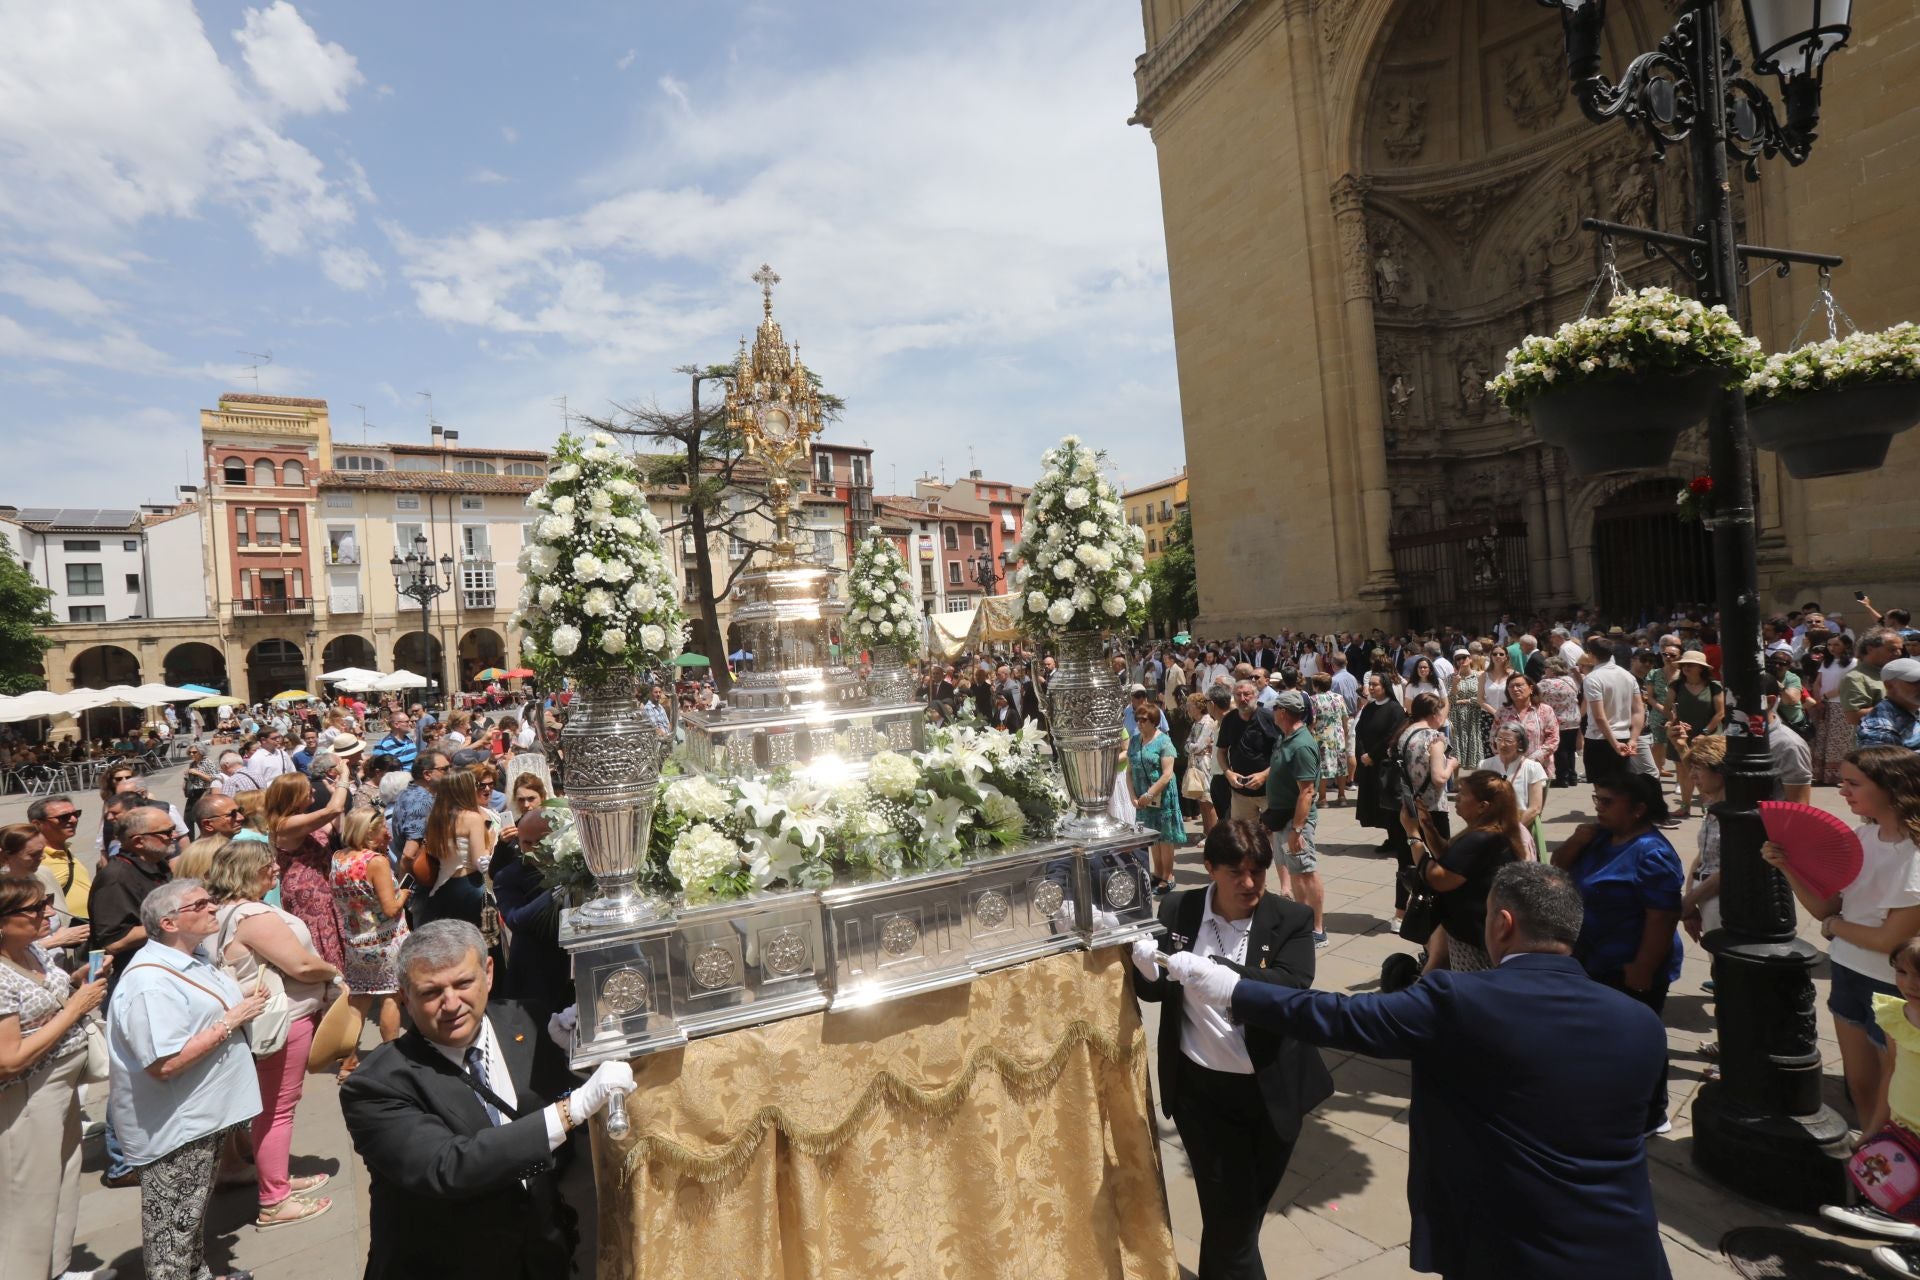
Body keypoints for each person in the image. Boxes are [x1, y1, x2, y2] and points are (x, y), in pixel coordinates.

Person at [1163, 861, 1671, 1279]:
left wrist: (1228, 987)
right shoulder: (1641, 1024)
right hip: (1629, 1252)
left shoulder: (1460, 1000)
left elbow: (1342, 1018)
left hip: (1510, 1251)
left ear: (1503, 924)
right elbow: (1642, 1125)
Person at [340, 920, 635, 1280]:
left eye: (464, 983)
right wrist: (572, 1107)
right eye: (431, 992)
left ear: (489, 973)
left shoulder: (527, 1022)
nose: (451, 1004)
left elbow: (556, 1109)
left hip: (540, 1255)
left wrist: (581, 1063)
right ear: (404, 995)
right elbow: (448, 1166)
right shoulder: (374, 1086)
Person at [1127, 820, 1332, 1280]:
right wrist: (1147, 971)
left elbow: (1293, 988)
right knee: (1231, 1227)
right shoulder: (1178, 908)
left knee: (1234, 1226)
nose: (1250, 883)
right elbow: (1156, 991)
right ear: (1209, 868)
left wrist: (1217, 970)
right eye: (1237, 872)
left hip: (1270, 1094)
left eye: (1258, 871)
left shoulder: (1290, 919)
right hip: (1203, 1096)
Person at [106, 878, 270, 1280]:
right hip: (176, 1128)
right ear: (168, 923)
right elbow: (164, 1064)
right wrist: (232, 1020)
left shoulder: (190, 958)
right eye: (200, 904)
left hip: (203, 1118)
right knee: (172, 1231)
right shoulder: (149, 983)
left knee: (190, 1216)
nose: (213, 907)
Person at [1764, 746, 1920, 1132]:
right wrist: (1786, 867)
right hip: (1848, 972)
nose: (1841, 789)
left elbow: (1888, 940)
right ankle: (1873, 1166)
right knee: (1861, 1086)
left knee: (1898, 1096)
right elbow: (1824, 907)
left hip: (1896, 986)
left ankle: (1897, 1174)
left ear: (1891, 787)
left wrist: (1836, 928)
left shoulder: (1915, 854)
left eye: (1854, 783)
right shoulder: (1863, 836)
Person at [206, 840, 341, 1230]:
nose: (276, 871)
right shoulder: (251, 915)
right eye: (268, 867)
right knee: (278, 1110)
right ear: (248, 871)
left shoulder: (225, 912)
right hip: (280, 1020)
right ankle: (274, 1200)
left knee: (271, 1108)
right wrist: (332, 973)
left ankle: (276, 1180)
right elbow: (299, 964)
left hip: (264, 1019)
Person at [1552, 771, 1684, 1129]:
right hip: (1593, 957)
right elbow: (1558, 868)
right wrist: (1577, 841)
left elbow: (1663, 917)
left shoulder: (1652, 854)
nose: (1598, 808)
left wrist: (1643, 967)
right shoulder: (1599, 837)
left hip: (1631, 962)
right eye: (1597, 799)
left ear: (1639, 809)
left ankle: (1652, 1114)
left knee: (1638, 1039)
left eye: (1607, 802)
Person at [0, 873, 112, 1280]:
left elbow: (48, 1000)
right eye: (34, 908)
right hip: (28, 1095)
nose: (47, 913)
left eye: (45, 902)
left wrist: (82, 980)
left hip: (62, 1084)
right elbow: (8, 1060)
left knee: (63, 1178)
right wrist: (75, 1008)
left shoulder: (30, 950)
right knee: (28, 1195)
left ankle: (56, 1269)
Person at [1414, 771, 1527, 973]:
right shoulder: (1490, 832)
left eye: (1463, 794)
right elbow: (1451, 861)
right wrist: (1427, 825)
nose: (1456, 797)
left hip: (1475, 940)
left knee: (1470, 991)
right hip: (1478, 932)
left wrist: (1413, 837)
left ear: (1483, 806)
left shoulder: (1482, 839)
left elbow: (1437, 877)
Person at [263, 771, 349, 973]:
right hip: (308, 895)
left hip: (325, 889)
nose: (312, 789)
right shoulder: (284, 824)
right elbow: (333, 808)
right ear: (293, 795)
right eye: (306, 787)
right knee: (322, 940)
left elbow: (337, 823)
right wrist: (344, 776)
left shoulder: (301, 819)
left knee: (335, 939)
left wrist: (335, 792)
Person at [1266, 690, 1326, 946]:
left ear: (1282, 712)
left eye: (1274, 709)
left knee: (1306, 873)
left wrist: (1297, 830)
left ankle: (1317, 930)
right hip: (1282, 819)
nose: (1272, 714)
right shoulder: (1286, 738)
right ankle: (1302, 923)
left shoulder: (1301, 745)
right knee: (1296, 872)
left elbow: (1307, 792)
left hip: (1295, 822)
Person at [1354, 673, 1410, 922]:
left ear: (1385, 686)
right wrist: (1362, 753)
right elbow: (1359, 730)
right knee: (1375, 806)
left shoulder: (1395, 709)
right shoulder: (1368, 708)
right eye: (1370, 685)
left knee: (1387, 804)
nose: (1372, 688)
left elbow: (1392, 737)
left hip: (1383, 765)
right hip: (1368, 763)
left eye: (1376, 685)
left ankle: (1394, 836)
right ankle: (1389, 836)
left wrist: (1373, 755)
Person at [416, 770, 494, 928]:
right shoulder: (472, 818)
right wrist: (490, 845)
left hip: (444, 887)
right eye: (475, 785)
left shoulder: (436, 818)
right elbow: (480, 862)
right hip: (471, 888)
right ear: (465, 789)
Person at [1126, 704, 1185, 896]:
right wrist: (1133, 796)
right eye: (1138, 719)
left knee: (1165, 837)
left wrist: (1149, 794)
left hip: (1162, 796)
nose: (1139, 723)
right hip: (1142, 798)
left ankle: (1169, 876)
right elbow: (1129, 771)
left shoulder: (1164, 741)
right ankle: (1157, 873)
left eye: (1144, 720)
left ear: (1154, 721)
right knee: (1150, 836)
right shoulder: (1134, 741)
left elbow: (1167, 774)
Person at [1677, 736, 1727, 957]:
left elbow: (1729, 870)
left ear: (1720, 771)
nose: (1692, 776)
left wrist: (1689, 901)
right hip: (1705, 895)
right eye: (1692, 768)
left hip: (1722, 901)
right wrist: (1689, 904)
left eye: (1699, 769)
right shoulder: (1712, 805)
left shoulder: (1734, 815)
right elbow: (1702, 858)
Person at [1582, 636, 1654, 788]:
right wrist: (1633, 739)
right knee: (1620, 786)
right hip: (1624, 737)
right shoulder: (1628, 676)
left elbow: (1600, 717)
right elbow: (1639, 709)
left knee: (1602, 786)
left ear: (1590, 654)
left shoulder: (1592, 678)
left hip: (1599, 739)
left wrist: (1615, 743)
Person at [1664, 651, 1725, 819]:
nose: (1686, 668)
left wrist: (1705, 732)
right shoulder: (1676, 685)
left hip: (1708, 737)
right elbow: (1667, 709)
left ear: (1701, 668)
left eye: (1690, 665)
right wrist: (1676, 722)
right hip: (1682, 735)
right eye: (1684, 665)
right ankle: (1685, 806)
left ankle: (1708, 806)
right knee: (1684, 771)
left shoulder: (1714, 686)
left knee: (1705, 772)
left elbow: (1720, 713)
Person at [1477, 724, 1548, 858]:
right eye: (1499, 739)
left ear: (1519, 743)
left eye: (1508, 741)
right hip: (1490, 827)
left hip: (1520, 827)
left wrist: (1511, 830)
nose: (1503, 745)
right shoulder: (1485, 765)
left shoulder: (1532, 768)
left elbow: (1535, 808)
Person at [1216, 680, 1278, 825]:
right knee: (1244, 838)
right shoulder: (1229, 720)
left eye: (1247, 694)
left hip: (1269, 791)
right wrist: (1228, 772)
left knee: (1276, 836)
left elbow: (1282, 754)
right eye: (1238, 695)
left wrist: (1264, 775)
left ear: (1256, 696)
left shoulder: (1269, 718)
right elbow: (1221, 751)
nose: (1242, 699)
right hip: (1240, 793)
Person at [29, 797, 91, 927]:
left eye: (76, 814)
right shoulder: (35, 861)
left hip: (89, 926)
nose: (73, 820)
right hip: (70, 935)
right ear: (37, 824)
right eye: (64, 817)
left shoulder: (64, 850)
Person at [1813, 633, 1860, 785]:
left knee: (1838, 741)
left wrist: (1825, 697)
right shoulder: (1827, 662)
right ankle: (1822, 775)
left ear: (1846, 645)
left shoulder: (1853, 663)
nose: (1832, 648)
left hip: (1841, 705)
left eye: (1836, 645)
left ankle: (1839, 776)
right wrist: (1818, 700)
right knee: (1822, 739)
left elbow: (1845, 686)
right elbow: (1817, 682)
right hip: (1824, 705)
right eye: (1829, 645)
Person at [1307, 672, 1351, 809]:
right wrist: (1345, 733)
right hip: (1338, 735)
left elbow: (1312, 721)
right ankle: (1342, 796)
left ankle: (1323, 798)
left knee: (1324, 767)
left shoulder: (1313, 699)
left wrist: (1309, 731)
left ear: (1316, 685)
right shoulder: (1339, 697)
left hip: (1322, 736)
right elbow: (1345, 718)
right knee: (1341, 766)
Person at [1859, 657, 1920, 750]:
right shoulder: (1879, 727)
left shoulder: (1914, 709)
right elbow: (1880, 763)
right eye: (1914, 682)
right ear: (1889, 685)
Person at [1181, 692, 1220, 837]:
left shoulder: (1207, 722)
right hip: (1195, 763)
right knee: (1201, 800)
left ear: (1199, 707)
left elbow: (1199, 746)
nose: (1188, 709)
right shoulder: (1196, 723)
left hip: (1205, 763)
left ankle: (1213, 835)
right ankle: (1206, 832)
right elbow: (1186, 746)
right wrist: (1192, 747)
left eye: (1190, 706)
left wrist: (1192, 747)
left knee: (1208, 801)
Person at [1447, 647, 1487, 767]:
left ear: (1470, 659)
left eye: (1464, 657)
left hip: (1474, 718)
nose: (1461, 661)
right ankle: (1456, 783)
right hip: (1456, 719)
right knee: (1456, 756)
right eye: (1458, 659)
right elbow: (1449, 701)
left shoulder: (1479, 676)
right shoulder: (1450, 678)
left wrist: (1464, 700)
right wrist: (1454, 685)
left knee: (1475, 753)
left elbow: (1482, 698)